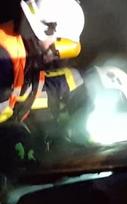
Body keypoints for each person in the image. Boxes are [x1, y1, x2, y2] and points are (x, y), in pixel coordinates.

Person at [0, 0, 83, 171]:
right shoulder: (5, 59)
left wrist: (70, 86)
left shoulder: (23, 50)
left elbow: (24, 92)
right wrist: (6, 137)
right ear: (47, 30)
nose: (58, 55)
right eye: (61, 45)